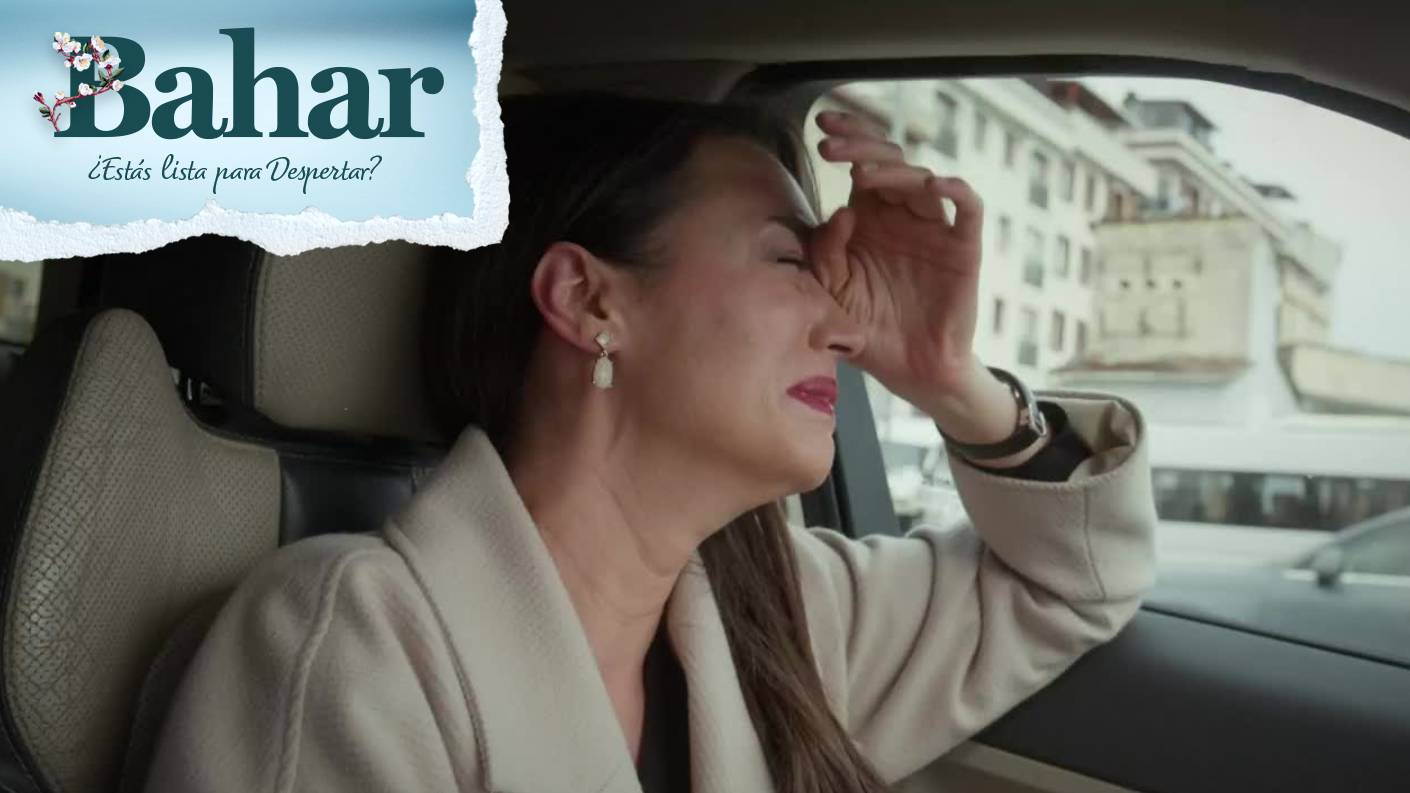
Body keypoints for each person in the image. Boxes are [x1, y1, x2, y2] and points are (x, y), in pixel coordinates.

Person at [142, 93, 1157, 793]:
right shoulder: (348, 642)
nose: (845, 328)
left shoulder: (784, 619)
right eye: (790, 261)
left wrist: (950, 378)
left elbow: (1074, 583)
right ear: (589, 301)